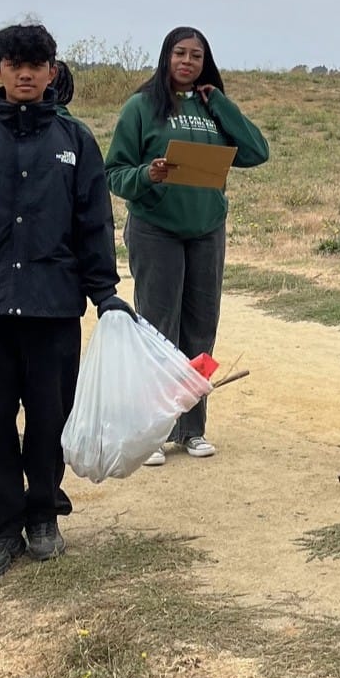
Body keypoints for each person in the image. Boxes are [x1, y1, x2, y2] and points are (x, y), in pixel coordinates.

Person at [0, 24, 130, 580]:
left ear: (51, 72)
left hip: (54, 306)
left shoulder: (76, 142)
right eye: (14, 65)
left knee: (49, 418)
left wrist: (105, 293)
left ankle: (43, 514)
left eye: (35, 65)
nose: (25, 74)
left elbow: (94, 222)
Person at [104, 27, 269, 463]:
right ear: (166, 57)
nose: (187, 62)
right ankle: (153, 430)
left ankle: (192, 428)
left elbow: (257, 151)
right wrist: (147, 175)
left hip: (206, 230)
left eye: (196, 55)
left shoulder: (213, 108)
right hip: (156, 229)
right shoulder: (142, 107)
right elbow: (113, 172)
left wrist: (222, 105)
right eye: (180, 53)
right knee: (159, 330)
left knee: (201, 329)